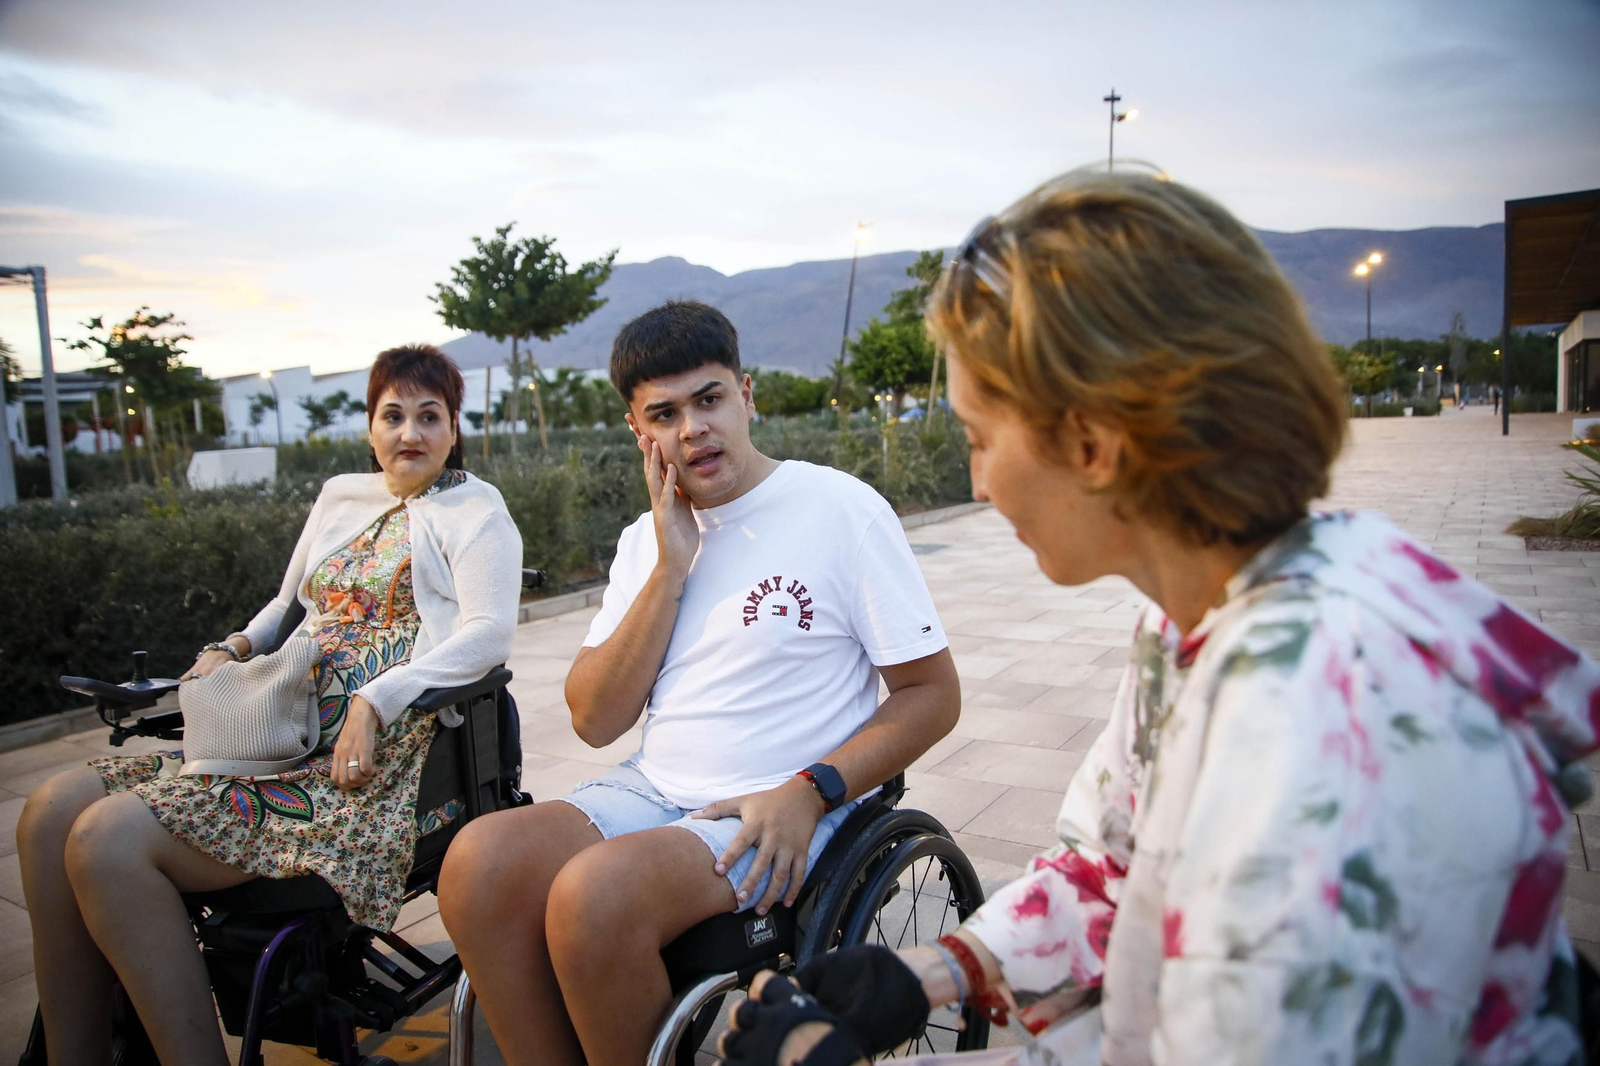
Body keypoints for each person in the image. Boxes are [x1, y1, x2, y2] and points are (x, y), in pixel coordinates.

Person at [717, 168, 1600, 1066]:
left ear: (1094, 443)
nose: (978, 484)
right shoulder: (1194, 620)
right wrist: (934, 972)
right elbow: (1115, 871)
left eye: (982, 438)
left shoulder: (1329, 717)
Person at [438, 300, 961, 1066]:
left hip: (784, 803)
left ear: (745, 395)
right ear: (637, 431)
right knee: (476, 863)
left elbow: (932, 694)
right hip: (652, 789)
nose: (693, 430)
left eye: (710, 399)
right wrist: (669, 566)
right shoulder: (642, 542)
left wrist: (813, 787)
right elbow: (594, 718)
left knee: (594, 899)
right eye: (666, 413)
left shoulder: (838, 509)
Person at [16, 343, 522, 1065]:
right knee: (50, 812)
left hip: (360, 768)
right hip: (276, 730)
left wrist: (376, 701)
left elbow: (489, 633)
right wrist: (232, 648)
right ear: (369, 428)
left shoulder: (475, 508)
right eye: (393, 415)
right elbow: (285, 608)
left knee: (106, 840)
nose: (410, 433)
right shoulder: (343, 497)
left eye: (429, 417)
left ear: (454, 428)